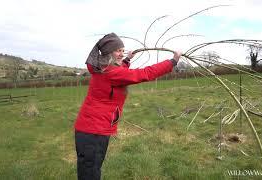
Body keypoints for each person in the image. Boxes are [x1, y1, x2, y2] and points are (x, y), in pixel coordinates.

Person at [74, 32, 182, 180]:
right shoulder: (110, 72)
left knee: (90, 169)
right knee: (90, 172)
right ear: (108, 53)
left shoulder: (103, 68)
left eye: (122, 50)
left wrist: (127, 60)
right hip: (94, 131)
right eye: (118, 50)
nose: (121, 53)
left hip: (91, 128)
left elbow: (119, 72)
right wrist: (172, 62)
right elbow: (143, 74)